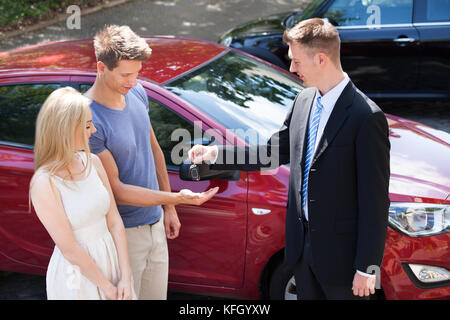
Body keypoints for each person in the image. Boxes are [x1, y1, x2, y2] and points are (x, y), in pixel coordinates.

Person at [188, 18, 390, 300]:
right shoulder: (303, 101)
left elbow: (375, 201)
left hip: (343, 264)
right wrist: (217, 154)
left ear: (321, 59)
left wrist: (367, 268)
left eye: (296, 61)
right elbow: (272, 152)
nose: (292, 68)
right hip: (301, 255)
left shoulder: (366, 117)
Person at [85, 25, 218, 300]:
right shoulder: (89, 120)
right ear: (101, 67)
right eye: (125, 74)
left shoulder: (136, 92)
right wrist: (178, 197)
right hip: (122, 234)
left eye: (136, 73)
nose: (133, 81)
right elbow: (118, 190)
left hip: (155, 223)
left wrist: (169, 208)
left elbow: (154, 149)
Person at [30, 87, 136, 300]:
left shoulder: (94, 163)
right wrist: (106, 287)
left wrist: (125, 274)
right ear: (66, 130)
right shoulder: (44, 182)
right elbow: (69, 248)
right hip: (78, 276)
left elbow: (114, 221)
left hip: (112, 261)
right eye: (87, 125)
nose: (94, 130)